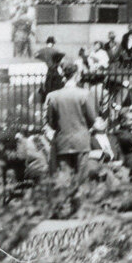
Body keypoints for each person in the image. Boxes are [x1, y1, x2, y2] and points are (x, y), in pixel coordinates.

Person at [42, 58, 100, 211]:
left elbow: (50, 122)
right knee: (81, 176)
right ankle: (79, 207)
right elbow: (92, 119)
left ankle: (64, 207)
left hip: (62, 141)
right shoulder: (85, 94)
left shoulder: (53, 96)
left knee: (64, 176)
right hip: (81, 140)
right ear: (76, 75)